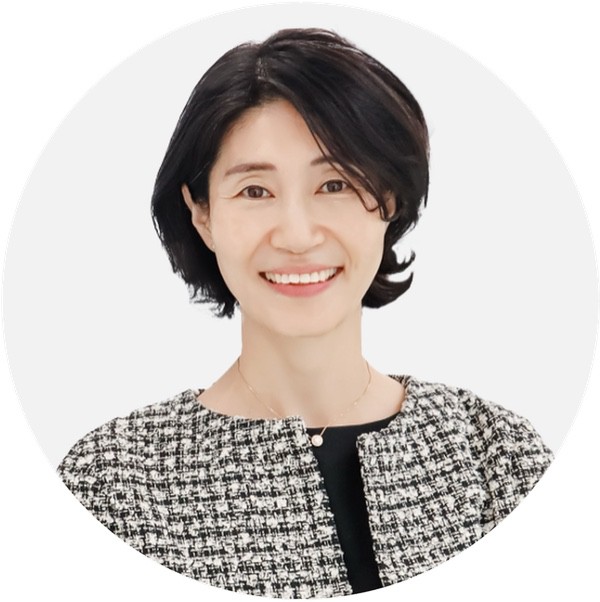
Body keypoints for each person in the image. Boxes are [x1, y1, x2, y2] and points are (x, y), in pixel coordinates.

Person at [57, 28, 553, 598]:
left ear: (389, 202)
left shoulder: (498, 457)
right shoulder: (115, 485)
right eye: (255, 191)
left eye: (334, 184)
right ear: (202, 215)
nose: (296, 235)